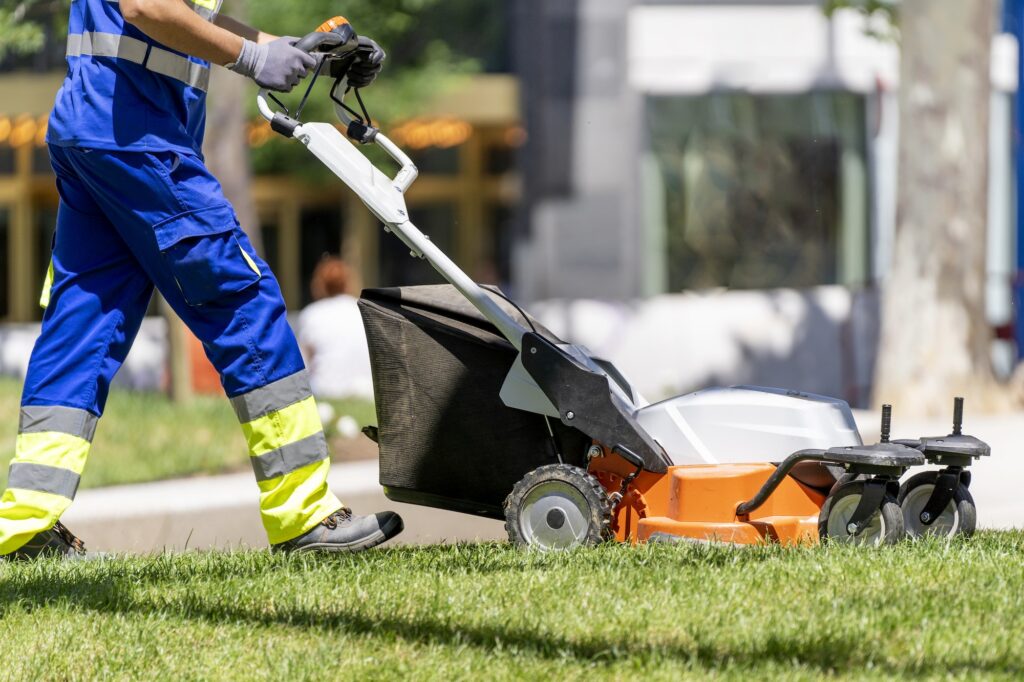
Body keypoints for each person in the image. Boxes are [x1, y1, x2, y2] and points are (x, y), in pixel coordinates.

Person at [0, 0, 404, 559]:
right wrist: (252, 56)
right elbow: (145, 6)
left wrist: (295, 52)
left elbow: (190, 18)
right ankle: (305, 516)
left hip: (100, 127)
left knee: (82, 324)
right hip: (138, 134)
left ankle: (25, 526)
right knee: (242, 299)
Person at [298, 256, 374, 401]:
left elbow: (304, 364)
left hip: (325, 390)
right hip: (366, 391)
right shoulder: (364, 311)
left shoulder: (312, 314)